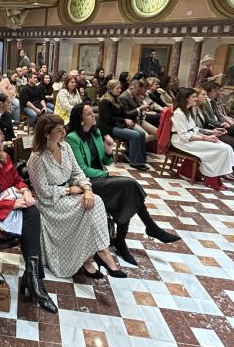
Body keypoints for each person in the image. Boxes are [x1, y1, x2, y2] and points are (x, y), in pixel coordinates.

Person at [66, 104, 180, 265]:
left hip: (100, 178)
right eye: (89, 114)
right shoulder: (72, 138)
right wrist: (105, 174)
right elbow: (81, 170)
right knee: (129, 185)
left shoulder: (96, 132)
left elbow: (106, 161)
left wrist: (108, 150)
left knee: (128, 191)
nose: (94, 115)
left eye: (93, 112)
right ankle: (143, 230)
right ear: (80, 119)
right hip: (86, 183)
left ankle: (125, 238)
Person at [0, 125, 58, 313]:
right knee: (31, 217)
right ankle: (35, 281)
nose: (1, 146)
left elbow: (17, 180)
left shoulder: (4, 158)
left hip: (10, 211)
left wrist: (25, 191)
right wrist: (11, 204)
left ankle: (33, 278)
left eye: (2, 142)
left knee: (32, 211)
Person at [27, 114, 127, 279]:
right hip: (49, 203)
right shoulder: (37, 158)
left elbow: (77, 172)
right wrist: (69, 190)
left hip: (67, 195)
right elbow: (43, 191)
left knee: (95, 201)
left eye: (63, 129)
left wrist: (87, 189)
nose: (64, 133)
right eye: (59, 131)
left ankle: (99, 253)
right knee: (87, 209)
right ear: (46, 134)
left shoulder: (65, 148)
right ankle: (94, 257)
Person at [171, 88, 234, 191]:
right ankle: (210, 177)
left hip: (192, 138)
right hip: (181, 141)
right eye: (193, 97)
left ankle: (215, 176)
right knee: (220, 149)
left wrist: (212, 133)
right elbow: (184, 136)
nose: (196, 99)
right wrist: (205, 138)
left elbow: (194, 129)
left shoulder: (188, 111)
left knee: (226, 147)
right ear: (185, 98)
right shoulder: (178, 113)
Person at [98, 80, 149, 171]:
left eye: (120, 88)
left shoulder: (116, 99)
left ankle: (141, 159)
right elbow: (108, 118)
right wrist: (124, 120)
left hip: (118, 124)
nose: (120, 90)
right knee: (135, 135)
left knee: (141, 133)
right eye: (117, 88)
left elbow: (123, 113)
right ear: (110, 89)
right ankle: (136, 162)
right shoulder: (105, 100)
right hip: (108, 127)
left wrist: (130, 120)